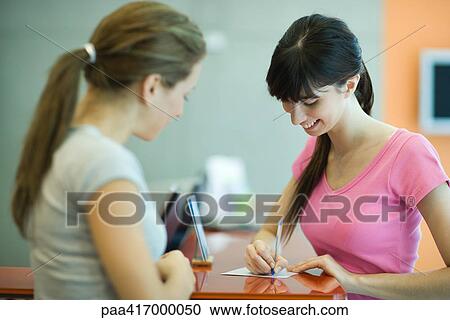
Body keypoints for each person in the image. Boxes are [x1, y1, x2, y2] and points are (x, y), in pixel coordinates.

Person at [245, 14, 450, 299]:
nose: (296, 118)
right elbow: (272, 227)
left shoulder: (410, 153)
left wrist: (351, 281)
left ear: (350, 85)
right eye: (288, 102)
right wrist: (261, 248)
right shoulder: (318, 148)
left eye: (310, 101)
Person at [12, 1, 205, 299]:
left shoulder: (67, 144)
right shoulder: (103, 163)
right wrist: (181, 271)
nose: (179, 111)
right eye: (185, 96)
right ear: (152, 86)